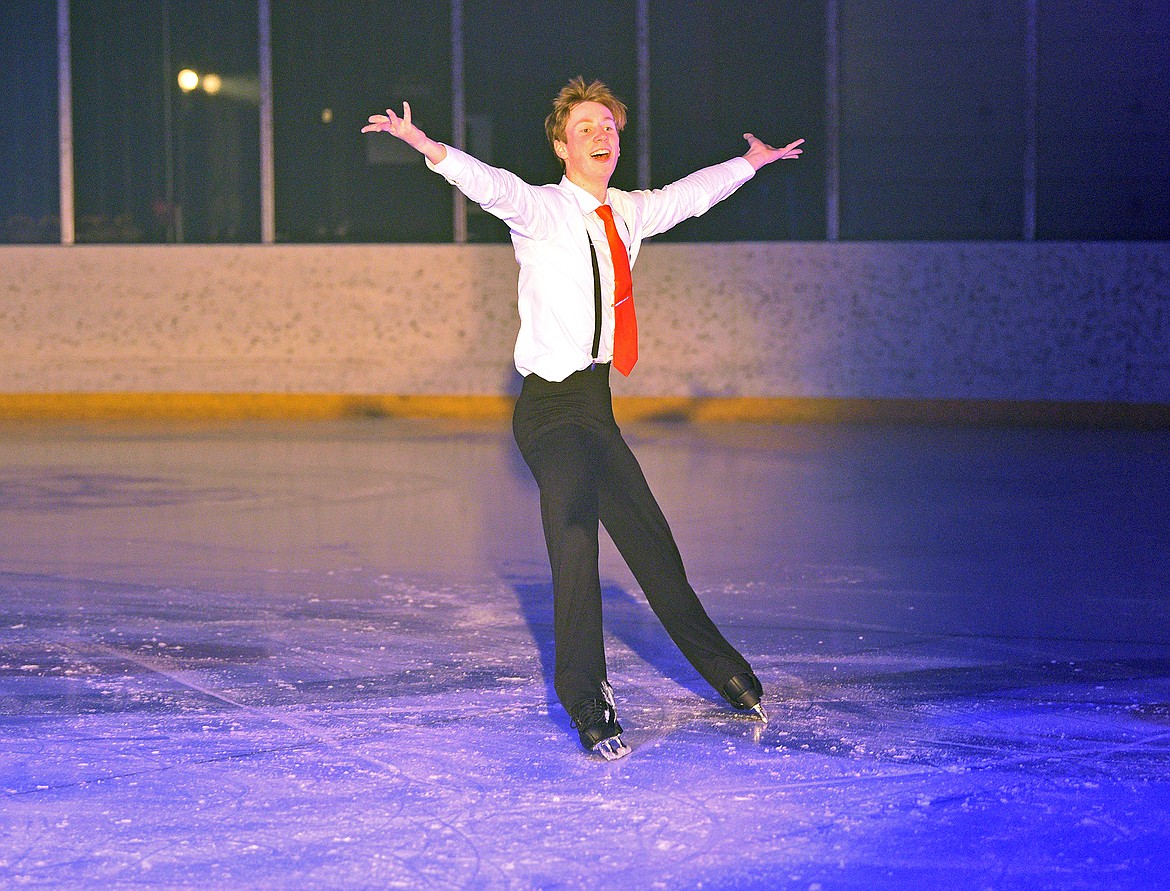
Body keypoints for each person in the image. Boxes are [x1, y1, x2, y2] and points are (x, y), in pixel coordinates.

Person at [364, 77, 803, 759]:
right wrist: (425, 144)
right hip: (548, 410)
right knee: (574, 536)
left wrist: (751, 162)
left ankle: (726, 673)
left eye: (610, 126)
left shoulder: (628, 212)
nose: (602, 135)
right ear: (562, 145)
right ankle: (587, 698)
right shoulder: (541, 210)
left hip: (597, 409)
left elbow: (689, 197)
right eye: (586, 127)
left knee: (655, 550)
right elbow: (490, 185)